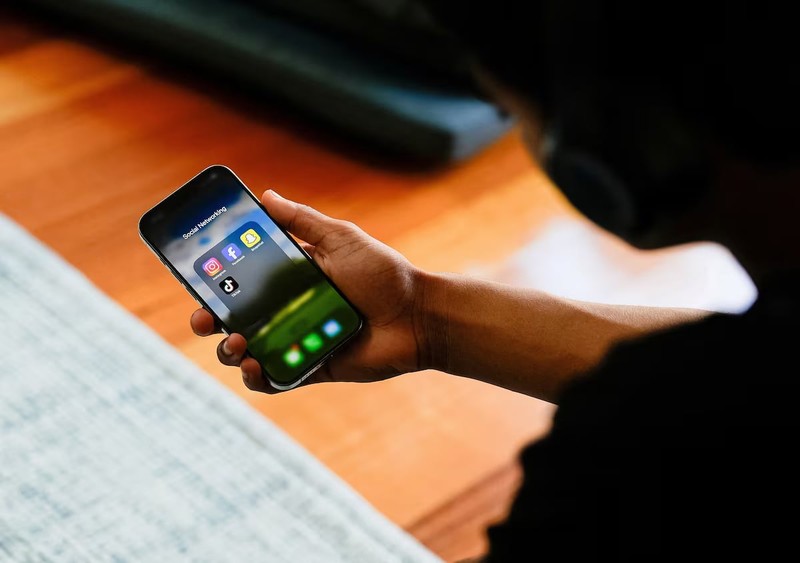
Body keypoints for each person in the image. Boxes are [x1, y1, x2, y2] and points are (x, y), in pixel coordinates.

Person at [190, 1, 800, 560]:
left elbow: (703, 392)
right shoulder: (718, 391)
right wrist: (424, 314)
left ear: (618, 150)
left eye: (512, 114)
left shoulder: (638, 453)